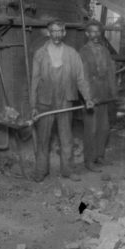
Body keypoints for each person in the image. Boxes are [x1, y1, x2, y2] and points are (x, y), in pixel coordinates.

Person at [30, 19, 95, 183]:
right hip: (45, 101)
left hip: (65, 101)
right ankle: (40, 170)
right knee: (43, 138)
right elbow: (35, 81)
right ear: (48, 33)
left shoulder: (72, 54)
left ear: (64, 33)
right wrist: (33, 105)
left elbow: (81, 78)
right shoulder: (40, 53)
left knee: (66, 137)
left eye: (60, 31)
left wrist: (87, 98)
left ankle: (67, 170)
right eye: (53, 31)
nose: (56, 34)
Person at [79, 20, 117, 170]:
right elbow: (83, 77)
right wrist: (88, 97)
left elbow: (110, 73)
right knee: (91, 129)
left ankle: (99, 156)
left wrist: (113, 93)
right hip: (91, 97)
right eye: (92, 32)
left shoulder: (104, 50)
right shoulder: (83, 52)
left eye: (98, 32)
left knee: (104, 128)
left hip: (104, 95)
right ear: (87, 34)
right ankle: (89, 161)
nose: (96, 35)